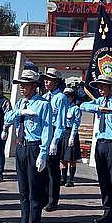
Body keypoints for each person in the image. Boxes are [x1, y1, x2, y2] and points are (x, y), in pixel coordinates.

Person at [3, 69, 52, 223]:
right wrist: (20, 112)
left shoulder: (43, 104)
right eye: (21, 85)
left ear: (34, 86)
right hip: (21, 147)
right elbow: (7, 118)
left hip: (34, 147)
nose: (22, 88)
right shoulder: (20, 104)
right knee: (23, 190)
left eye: (25, 85)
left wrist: (43, 152)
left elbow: (47, 129)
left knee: (34, 191)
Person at [80, 74, 112, 223]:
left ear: (111, 87)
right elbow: (83, 106)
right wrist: (98, 108)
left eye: (103, 87)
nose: (100, 90)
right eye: (99, 87)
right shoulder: (100, 101)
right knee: (103, 179)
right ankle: (106, 210)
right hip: (100, 142)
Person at [41, 68, 67, 212]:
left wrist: (54, 141)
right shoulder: (45, 97)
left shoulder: (61, 98)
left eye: (49, 79)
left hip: (54, 135)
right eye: (45, 79)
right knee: (43, 169)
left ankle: (52, 199)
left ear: (56, 82)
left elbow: (61, 123)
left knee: (52, 171)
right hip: (44, 134)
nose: (46, 81)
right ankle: (44, 196)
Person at [61, 87, 82, 187]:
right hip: (63, 132)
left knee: (71, 158)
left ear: (72, 97)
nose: (66, 98)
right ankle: (63, 178)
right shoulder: (63, 107)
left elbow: (76, 123)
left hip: (71, 133)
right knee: (63, 158)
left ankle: (71, 179)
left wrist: (72, 137)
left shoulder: (75, 108)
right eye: (65, 96)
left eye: (68, 96)